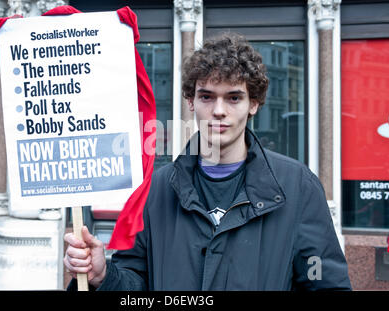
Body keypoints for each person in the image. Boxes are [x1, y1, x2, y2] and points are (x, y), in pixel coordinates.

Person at [64, 33, 352, 290]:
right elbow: (136, 279)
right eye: (207, 96)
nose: (218, 110)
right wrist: (104, 277)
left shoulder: (297, 188)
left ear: (254, 103)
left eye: (233, 98)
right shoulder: (157, 189)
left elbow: (324, 282)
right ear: (191, 101)